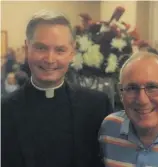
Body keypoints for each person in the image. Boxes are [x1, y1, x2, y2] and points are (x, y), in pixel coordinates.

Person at [1, 10, 113, 167]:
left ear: (72, 52)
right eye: (41, 48)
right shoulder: (4, 111)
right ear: (27, 49)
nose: (50, 59)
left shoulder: (97, 106)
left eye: (60, 50)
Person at [99, 51, 158, 167]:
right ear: (120, 92)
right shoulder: (110, 128)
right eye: (132, 88)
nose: (142, 100)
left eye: (152, 87)